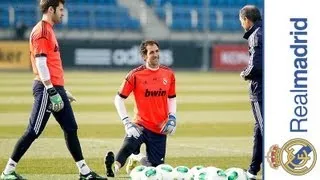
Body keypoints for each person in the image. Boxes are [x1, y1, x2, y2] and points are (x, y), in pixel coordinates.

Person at [0, 0, 106, 179]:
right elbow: (41, 64)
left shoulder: (48, 30)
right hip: (46, 89)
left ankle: (85, 173)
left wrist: (61, 90)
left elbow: (50, 64)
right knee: (34, 130)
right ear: (51, 10)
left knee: (71, 128)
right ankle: (7, 171)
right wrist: (51, 90)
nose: (63, 13)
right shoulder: (42, 31)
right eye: (61, 9)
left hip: (55, 88)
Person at [104, 40, 177, 177]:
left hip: (159, 128)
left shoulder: (168, 74)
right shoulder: (135, 75)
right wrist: (126, 122)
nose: (155, 55)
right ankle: (113, 168)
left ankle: (137, 157)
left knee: (154, 170)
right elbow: (118, 99)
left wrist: (172, 117)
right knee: (128, 145)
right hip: (140, 125)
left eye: (157, 51)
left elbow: (171, 97)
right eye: (151, 52)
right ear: (144, 56)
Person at [239, 5, 263, 180]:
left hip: (261, 89)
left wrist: (244, 73)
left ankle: (276, 169)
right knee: (259, 129)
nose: (242, 24)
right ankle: (252, 170)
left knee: (265, 129)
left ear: (246, 19)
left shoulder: (256, 35)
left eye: (242, 21)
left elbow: (256, 66)